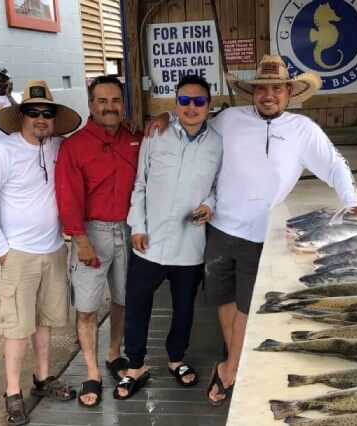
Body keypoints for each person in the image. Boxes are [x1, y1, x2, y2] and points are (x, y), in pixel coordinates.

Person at [147, 55, 357, 406]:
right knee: (221, 299)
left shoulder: (303, 130)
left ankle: (230, 370)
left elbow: (335, 165)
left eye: (276, 88)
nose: (268, 95)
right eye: (261, 89)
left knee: (245, 304)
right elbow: (192, 125)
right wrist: (163, 116)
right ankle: (235, 357)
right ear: (252, 93)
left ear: (289, 92)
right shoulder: (228, 119)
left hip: (262, 235)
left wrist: (350, 202)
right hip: (220, 228)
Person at [0, 80, 81, 426]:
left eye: (47, 113)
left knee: (46, 320)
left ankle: (43, 378)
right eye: (32, 112)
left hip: (53, 250)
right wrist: (3, 251)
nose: (40, 118)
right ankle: (13, 392)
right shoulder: (1, 152)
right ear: (21, 115)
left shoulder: (59, 146)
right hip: (17, 253)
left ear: (53, 118)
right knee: (17, 327)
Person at [114, 75, 222, 400]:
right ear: (175, 104)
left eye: (199, 101)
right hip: (149, 242)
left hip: (190, 245)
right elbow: (140, 184)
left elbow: (219, 186)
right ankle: (135, 366)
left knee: (184, 308)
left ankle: (177, 360)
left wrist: (209, 204)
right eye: (185, 101)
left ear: (209, 105)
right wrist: (138, 226)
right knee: (137, 305)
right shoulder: (156, 134)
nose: (191, 107)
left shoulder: (218, 142)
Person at [55, 75, 143, 407]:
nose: (109, 107)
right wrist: (80, 238)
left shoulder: (135, 136)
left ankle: (113, 353)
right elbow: (67, 196)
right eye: (102, 101)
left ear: (124, 104)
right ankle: (91, 372)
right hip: (90, 233)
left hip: (127, 230)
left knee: (122, 300)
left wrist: (160, 119)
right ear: (91, 106)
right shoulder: (74, 145)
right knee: (87, 308)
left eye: (115, 101)